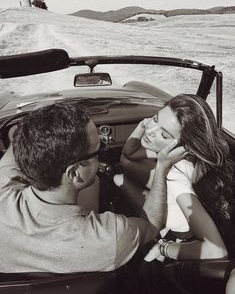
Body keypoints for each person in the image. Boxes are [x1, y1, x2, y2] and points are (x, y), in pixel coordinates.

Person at [0, 103, 186, 273]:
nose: (103, 153)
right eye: (99, 150)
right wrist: (162, 167)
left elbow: (16, 142)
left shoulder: (4, 187)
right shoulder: (110, 236)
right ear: (74, 173)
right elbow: (152, 226)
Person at [114, 94, 234, 262]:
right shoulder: (178, 156)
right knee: (120, 177)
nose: (150, 132)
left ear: (184, 146)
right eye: (155, 119)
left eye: (164, 135)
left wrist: (163, 248)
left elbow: (216, 250)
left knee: (117, 180)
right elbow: (129, 154)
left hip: (182, 237)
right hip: (174, 213)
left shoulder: (177, 178)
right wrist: (145, 123)